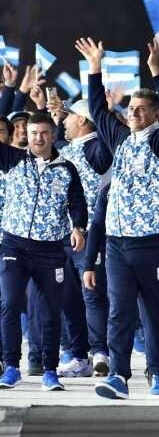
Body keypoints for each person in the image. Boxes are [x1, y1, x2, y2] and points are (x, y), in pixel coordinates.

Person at [75, 37, 159, 399]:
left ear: (154, 114)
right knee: (119, 312)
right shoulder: (120, 140)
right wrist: (94, 67)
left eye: (141, 109)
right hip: (118, 243)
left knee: (155, 313)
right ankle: (119, 376)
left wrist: (158, 75)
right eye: (132, 107)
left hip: (154, 243)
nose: (133, 113)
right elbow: (98, 111)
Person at [0, 112, 87, 391]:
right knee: (10, 303)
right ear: (27, 134)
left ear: (53, 135)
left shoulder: (67, 168)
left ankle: (50, 370)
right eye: (33, 133)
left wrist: (79, 228)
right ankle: (11, 366)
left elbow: (78, 203)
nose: (38, 138)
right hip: (14, 245)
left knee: (50, 311)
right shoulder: (12, 159)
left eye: (44, 133)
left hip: (50, 251)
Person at [50, 98, 113, 378]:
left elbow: (108, 142)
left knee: (92, 294)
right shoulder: (63, 150)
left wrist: (104, 111)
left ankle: (100, 352)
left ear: (84, 120)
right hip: (60, 235)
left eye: (70, 116)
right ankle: (78, 355)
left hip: (89, 235)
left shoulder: (98, 148)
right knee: (66, 297)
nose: (64, 121)